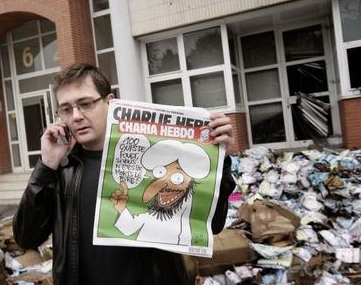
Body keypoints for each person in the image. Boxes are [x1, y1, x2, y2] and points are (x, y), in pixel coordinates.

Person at [13, 63, 236, 285]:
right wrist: (46, 166)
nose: (76, 116)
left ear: (111, 102)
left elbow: (211, 224)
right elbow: (26, 238)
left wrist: (219, 159)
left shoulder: (156, 160)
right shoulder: (62, 170)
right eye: (66, 109)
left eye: (86, 104)